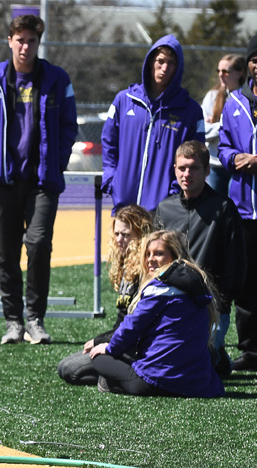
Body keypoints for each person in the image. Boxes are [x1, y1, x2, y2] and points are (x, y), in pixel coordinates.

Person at [0, 14, 78, 345]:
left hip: (43, 180)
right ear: (10, 41)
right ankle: (13, 322)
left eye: (31, 40)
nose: (25, 46)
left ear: (38, 43)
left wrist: (57, 161)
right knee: (6, 254)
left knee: (40, 244)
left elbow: (68, 126)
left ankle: (35, 319)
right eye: (20, 40)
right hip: (4, 180)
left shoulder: (58, 79)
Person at [89, 230, 224, 397]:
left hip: (154, 381)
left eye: (159, 254)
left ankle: (113, 383)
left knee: (97, 358)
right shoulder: (199, 285)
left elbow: (132, 327)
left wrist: (110, 347)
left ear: (176, 256)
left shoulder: (161, 287)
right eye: (147, 254)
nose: (150, 259)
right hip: (197, 384)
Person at [154, 141, 246, 376]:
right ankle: (216, 356)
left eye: (194, 168)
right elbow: (152, 262)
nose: (187, 174)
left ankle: (215, 351)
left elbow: (235, 263)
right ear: (174, 168)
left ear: (207, 171)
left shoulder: (224, 209)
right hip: (171, 303)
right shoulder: (164, 209)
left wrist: (221, 304)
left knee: (193, 369)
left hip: (210, 305)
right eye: (182, 168)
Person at [102, 35, 205, 213]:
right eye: (160, 61)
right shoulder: (124, 100)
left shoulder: (191, 111)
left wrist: (174, 192)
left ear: (178, 68)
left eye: (171, 63)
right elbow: (109, 142)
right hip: (124, 207)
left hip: (165, 211)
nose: (164, 68)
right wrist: (112, 179)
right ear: (150, 62)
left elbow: (195, 155)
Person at [57, 204, 154, 385]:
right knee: (63, 367)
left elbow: (135, 325)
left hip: (135, 347)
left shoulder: (146, 269)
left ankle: (122, 376)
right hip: (120, 339)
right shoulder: (126, 264)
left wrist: (101, 341)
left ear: (141, 235)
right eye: (117, 234)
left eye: (126, 235)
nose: (119, 239)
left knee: (71, 371)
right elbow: (121, 320)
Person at [218, 34, 257, 372]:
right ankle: (251, 350)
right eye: (255, 59)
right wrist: (235, 159)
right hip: (244, 209)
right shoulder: (234, 102)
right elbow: (223, 147)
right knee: (246, 283)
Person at [202, 54, 247, 196]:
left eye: (226, 71)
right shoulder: (212, 97)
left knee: (236, 211)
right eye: (219, 71)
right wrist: (227, 124)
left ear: (240, 73)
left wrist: (215, 124)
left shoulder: (247, 99)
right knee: (215, 212)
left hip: (239, 166)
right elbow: (202, 131)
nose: (221, 75)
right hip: (215, 165)